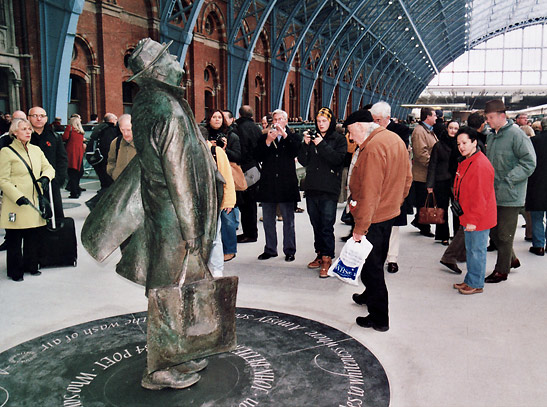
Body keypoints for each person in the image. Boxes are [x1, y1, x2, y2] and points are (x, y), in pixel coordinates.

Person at [345, 109, 412, 332]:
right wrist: (396, 201)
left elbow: (370, 192)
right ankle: (368, 295)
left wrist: (360, 228)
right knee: (376, 261)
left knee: (372, 269)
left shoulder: (372, 148)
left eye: (351, 131)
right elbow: (408, 178)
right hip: (388, 213)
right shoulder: (394, 139)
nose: (350, 137)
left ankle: (379, 318)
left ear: (361, 126)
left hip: (373, 218)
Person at [483, 99, 536, 283]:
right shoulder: (491, 136)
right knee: (493, 231)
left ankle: (501, 270)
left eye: (490, 117)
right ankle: (511, 259)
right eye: (487, 117)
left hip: (511, 195)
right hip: (492, 193)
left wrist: (510, 179)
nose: (488, 121)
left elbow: (529, 162)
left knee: (505, 234)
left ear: (502, 116)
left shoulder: (516, 135)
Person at [0, 118, 55, 281]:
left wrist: (46, 177)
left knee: (33, 237)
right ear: (14, 133)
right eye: (24, 129)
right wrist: (17, 197)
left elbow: (49, 167)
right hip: (16, 202)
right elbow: (3, 180)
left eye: (29, 129)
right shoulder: (6, 152)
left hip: (34, 201)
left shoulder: (36, 150)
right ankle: (15, 271)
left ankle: (31, 266)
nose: (28, 132)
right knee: (15, 239)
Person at [298, 107, 347, 278]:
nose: (321, 124)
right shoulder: (312, 138)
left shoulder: (339, 139)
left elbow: (338, 160)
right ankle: (319, 253)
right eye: (318, 121)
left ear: (330, 121)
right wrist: (305, 144)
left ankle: (327, 257)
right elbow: (303, 160)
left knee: (327, 224)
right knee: (316, 223)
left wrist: (321, 144)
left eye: (324, 121)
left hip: (329, 188)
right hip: (312, 186)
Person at [452, 127, 497, 295]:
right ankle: (470, 279)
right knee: (471, 250)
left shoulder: (480, 164)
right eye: (458, 144)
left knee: (477, 251)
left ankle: (476, 283)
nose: (461, 147)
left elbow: (480, 196)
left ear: (474, 142)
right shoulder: (468, 160)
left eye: (464, 143)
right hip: (469, 214)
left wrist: (473, 220)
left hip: (478, 217)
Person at [370, 101, 412, 273]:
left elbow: (402, 159)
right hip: (376, 184)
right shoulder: (369, 132)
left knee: (393, 224)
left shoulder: (401, 131)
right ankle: (376, 257)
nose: (375, 123)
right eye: (373, 119)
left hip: (393, 184)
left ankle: (392, 258)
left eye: (378, 120)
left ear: (387, 118)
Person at [255, 109, 300, 262]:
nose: (277, 122)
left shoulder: (293, 136)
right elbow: (257, 156)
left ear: (286, 121)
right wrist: (268, 141)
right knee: (268, 220)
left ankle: (289, 250)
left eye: (281, 119)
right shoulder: (264, 137)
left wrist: (285, 136)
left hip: (286, 185)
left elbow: (296, 151)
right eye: (275, 119)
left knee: (288, 220)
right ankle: (270, 249)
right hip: (268, 184)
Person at [200, 109, 241, 262]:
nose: (217, 120)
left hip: (225, 178)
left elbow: (238, 156)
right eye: (214, 117)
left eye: (219, 117)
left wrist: (222, 150)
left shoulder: (232, 135)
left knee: (227, 219)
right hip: (208, 187)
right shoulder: (203, 135)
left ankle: (230, 249)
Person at [29, 106, 68, 222]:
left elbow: (62, 158)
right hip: (30, 184)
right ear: (29, 118)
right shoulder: (25, 136)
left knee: (55, 216)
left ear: (46, 118)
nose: (38, 119)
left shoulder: (54, 136)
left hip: (51, 183)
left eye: (42, 116)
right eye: (35, 116)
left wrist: (58, 179)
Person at [426, 120, 460, 245]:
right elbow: (432, 165)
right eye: (451, 128)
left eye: (456, 128)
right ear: (447, 128)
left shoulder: (460, 144)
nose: (453, 131)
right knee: (441, 209)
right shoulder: (438, 145)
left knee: (457, 210)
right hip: (441, 181)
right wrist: (430, 184)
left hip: (456, 181)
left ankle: (457, 236)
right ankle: (443, 235)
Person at [207, 136, 236, 276]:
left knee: (215, 237)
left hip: (213, 202)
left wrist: (229, 201)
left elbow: (227, 177)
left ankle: (217, 269)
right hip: (198, 203)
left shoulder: (216, 151)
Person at [235, 105, 262, 243]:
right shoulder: (257, 128)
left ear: (239, 115)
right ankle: (251, 233)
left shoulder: (239, 128)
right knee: (251, 204)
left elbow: (241, 150)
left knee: (246, 204)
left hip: (245, 168)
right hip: (255, 168)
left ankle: (249, 234)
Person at [410, 107, 438, 237]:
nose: (436, 117)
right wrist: (433, 165)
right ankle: (424, 226)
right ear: (428, 117)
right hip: (423, 173)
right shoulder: (420, 131)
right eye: (434, 115)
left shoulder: (428, 131)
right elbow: (421, 153)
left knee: (425, 200)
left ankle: (420, 221)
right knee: (424, 201)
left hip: (428, 172)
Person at [525, 116, 547, 256]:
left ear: (540, 127)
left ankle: (539, 246)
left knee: (537, 216)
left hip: (537, 183)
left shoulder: (533, 142)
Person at [87, 113, 119, 190]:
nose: (116, 121)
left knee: (103, 179)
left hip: (98, 157)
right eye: (115, 119)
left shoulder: (98, 128)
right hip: (106, 157)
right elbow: (110, 145)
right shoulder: (111, 130)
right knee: (108, 180)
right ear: (111, 120)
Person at [106, 114, 136, 181]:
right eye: (122, 130)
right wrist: (113, 173)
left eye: (129, 130)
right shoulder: (116, 142)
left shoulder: (143, 143)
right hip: (119, 184)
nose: (125, 134)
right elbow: (111, 161)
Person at [62, 115, 86, 198]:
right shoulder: (81, 132)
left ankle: (74, 192)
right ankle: (76, 189)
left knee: (71, 173)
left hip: (71, 152)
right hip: (79, 153)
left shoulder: (69, 128)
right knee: (77, 172)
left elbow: (65, 137)